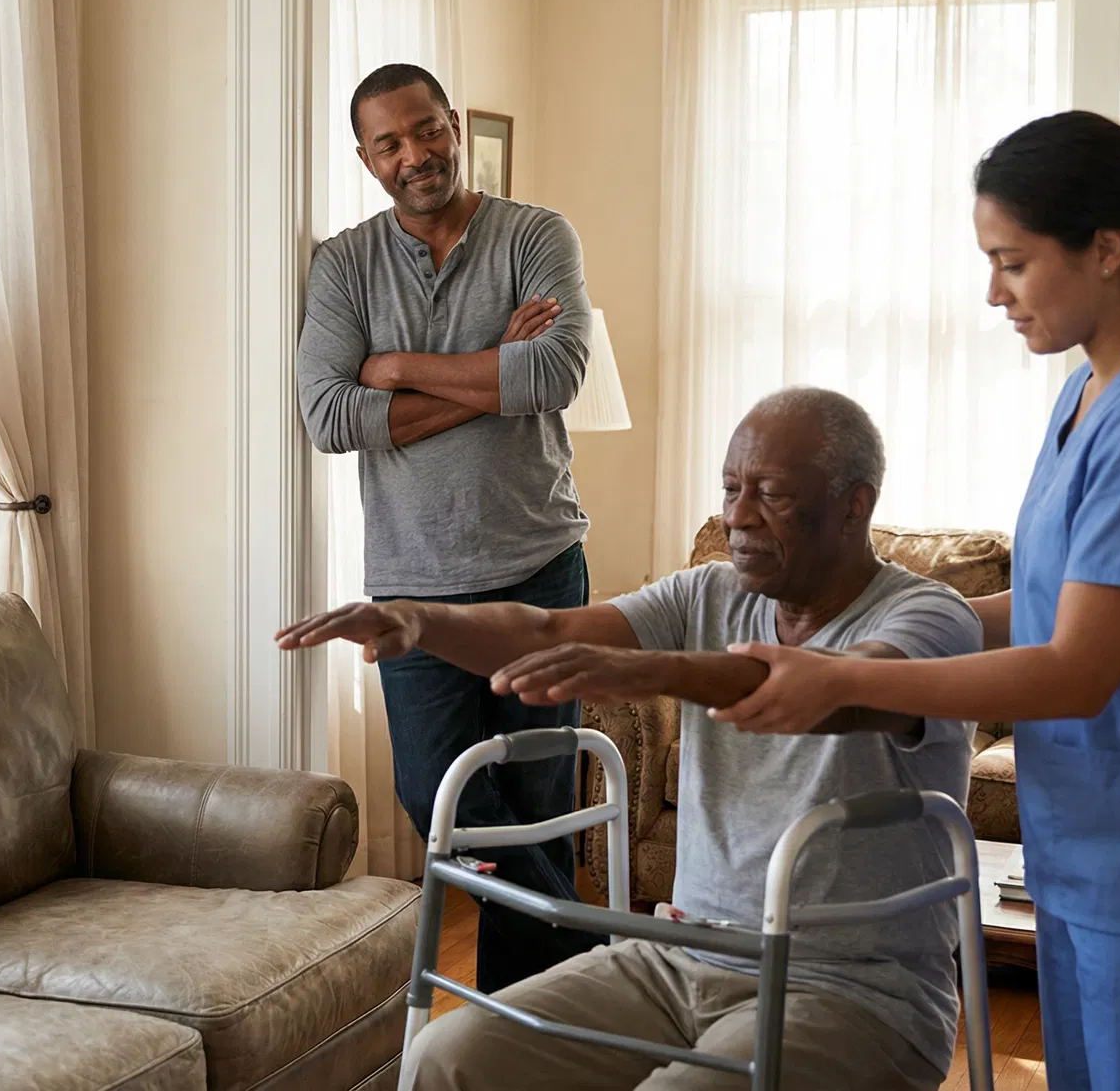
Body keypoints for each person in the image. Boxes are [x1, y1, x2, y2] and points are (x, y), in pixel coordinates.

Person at [717, 111, 1120, 1091]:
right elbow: (1049, 601)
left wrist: (843, 680)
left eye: (1012, 262)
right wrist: (883, 624)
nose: (993, 292)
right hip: (1094, 854)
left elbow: (1076, 668)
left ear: (1107, 249)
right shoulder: (1090, 392)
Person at [281, 388, 983, 1091]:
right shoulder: (709, 593)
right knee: (447, 1054)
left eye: (769, 494)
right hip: (680, 958)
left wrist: (653, 669)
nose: (737, 516)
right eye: (730, 489)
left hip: (854, 993)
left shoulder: (930, 617)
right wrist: (424, 622)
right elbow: (547, 629)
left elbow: (835, 690)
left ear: (855, 505)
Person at [296, 62, 599, 991]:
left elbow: (554, 374)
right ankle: (594, 959)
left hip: (538, 567)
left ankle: (522, 1019)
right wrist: (490, 367)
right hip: (412, 584)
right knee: (437, 795)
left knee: (540, 793)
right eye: (389, 142)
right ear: (366, 159)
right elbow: (329, 418)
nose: (415, 154)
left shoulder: (535, 235)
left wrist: (398, 368)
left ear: (455, 126)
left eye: (427, 129)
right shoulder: (345, 264)